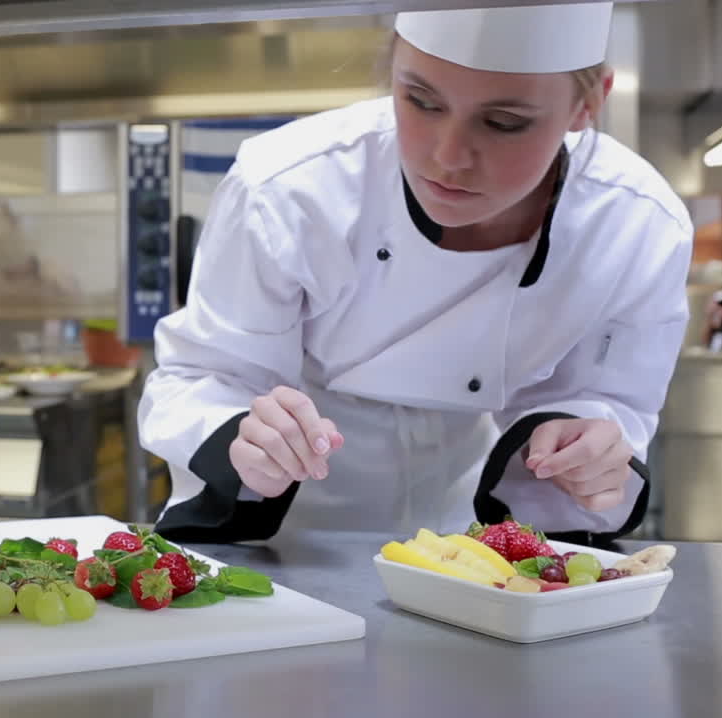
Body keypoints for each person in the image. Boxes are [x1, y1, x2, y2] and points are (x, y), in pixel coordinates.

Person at [138, 3, 692, 546]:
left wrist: (583, 445)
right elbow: (203, 378)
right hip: (287, 534)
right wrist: (245, 434)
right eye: (421, 101)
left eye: (504, 123)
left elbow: (610, 399)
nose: (448, 157)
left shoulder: (635, 224)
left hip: (474, 532)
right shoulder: (289, 189)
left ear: (588, 104)